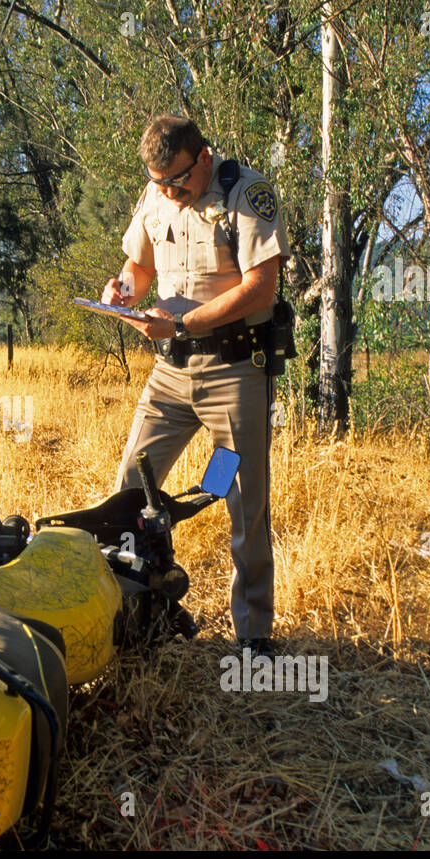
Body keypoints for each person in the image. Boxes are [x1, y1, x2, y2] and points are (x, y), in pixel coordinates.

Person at [101, 115, 290, 656]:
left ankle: (253, 633)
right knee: (131, 489)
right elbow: (138, 267)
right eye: (159, 182)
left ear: (202, 156)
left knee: (238, 495)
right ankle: (134, 608)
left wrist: (184, 322)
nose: (169, 192)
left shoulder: (245, 193)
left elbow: (261, 287)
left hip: (232, 377)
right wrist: (122, 290)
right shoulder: (157, 195)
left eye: (178, 181)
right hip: (171, 373)